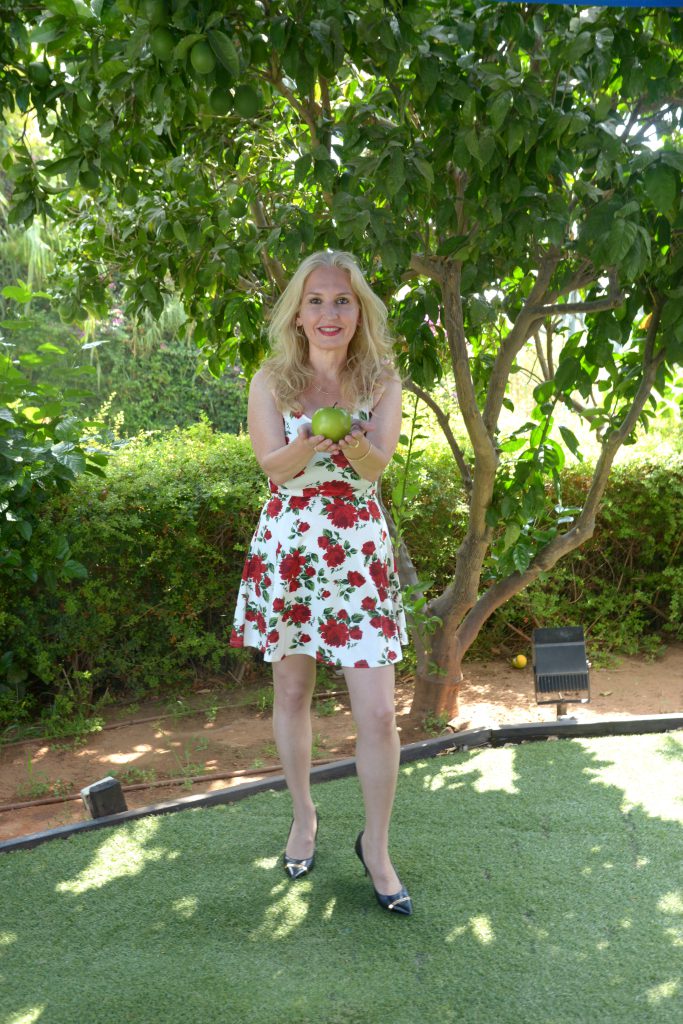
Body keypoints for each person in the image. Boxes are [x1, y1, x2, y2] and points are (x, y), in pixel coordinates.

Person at [230, 250, 412, 915]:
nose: (329, 313)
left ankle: (377, 848)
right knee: (291, 689)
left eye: (342, 300)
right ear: (297, 314)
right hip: (291, 551)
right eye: (316, 301)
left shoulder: (382, 380)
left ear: (359, 310)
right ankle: (303, 817)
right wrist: (311, 442)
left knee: (378, 713)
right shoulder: (271, 380)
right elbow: (272, 468)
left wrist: (354, 443)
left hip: (357, 554)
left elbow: (375, 469)